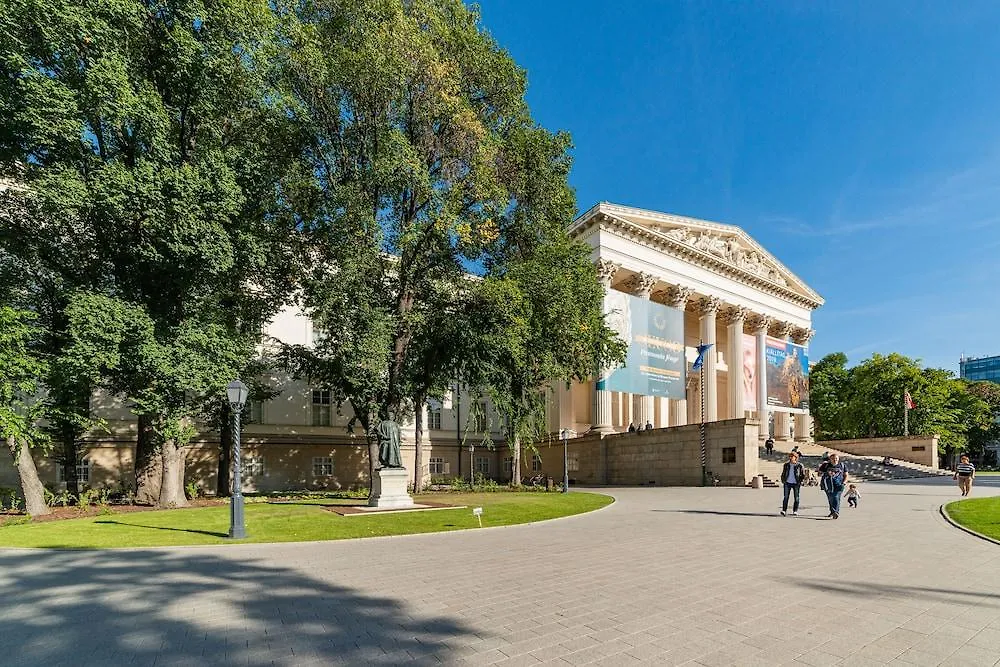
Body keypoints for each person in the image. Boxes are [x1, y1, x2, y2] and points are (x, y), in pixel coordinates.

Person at [820, 453, 849, 519]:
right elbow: (819, 473)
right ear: (830, 459)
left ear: (838, 459)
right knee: (830, 499)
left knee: (836, 497)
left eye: (836, 459)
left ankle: (836, 512)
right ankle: (832, 511)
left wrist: (844, 482)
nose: (835, 460)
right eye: (833, 459)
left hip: (839, 485)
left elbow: (846, 475)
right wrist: (826, 473)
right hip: (828, 485)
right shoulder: (826, 465)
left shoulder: (842, 465)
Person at [779, 451, 805, 516]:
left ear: (795, 457)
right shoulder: (786, 465)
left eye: (792, 456)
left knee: (796, 497)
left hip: (796, 483)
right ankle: (784, 510)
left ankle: (795, 510)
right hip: (787, 482)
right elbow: (783, 473)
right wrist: (783, 480)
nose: (790, 458)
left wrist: (800, 481)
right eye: (790, 456)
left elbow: (803, 474)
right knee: (786, 497)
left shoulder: (799, 465)